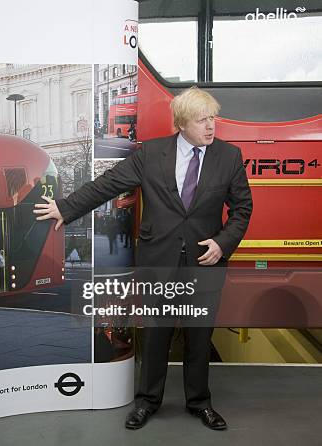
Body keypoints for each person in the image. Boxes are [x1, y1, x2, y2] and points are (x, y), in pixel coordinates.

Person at [34, 87, 252, 431]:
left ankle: (200, 402)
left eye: (213, 118)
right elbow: (108, 183)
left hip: (205, 262)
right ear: (182, 123)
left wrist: (223, 244)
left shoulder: (229, 156)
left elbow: (242, 209)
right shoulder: (150, 154)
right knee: (155, 337)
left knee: (199, 337)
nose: (211, 126)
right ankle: (148, 401)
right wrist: (65, 207)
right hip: (159, 260)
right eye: (202, 120)